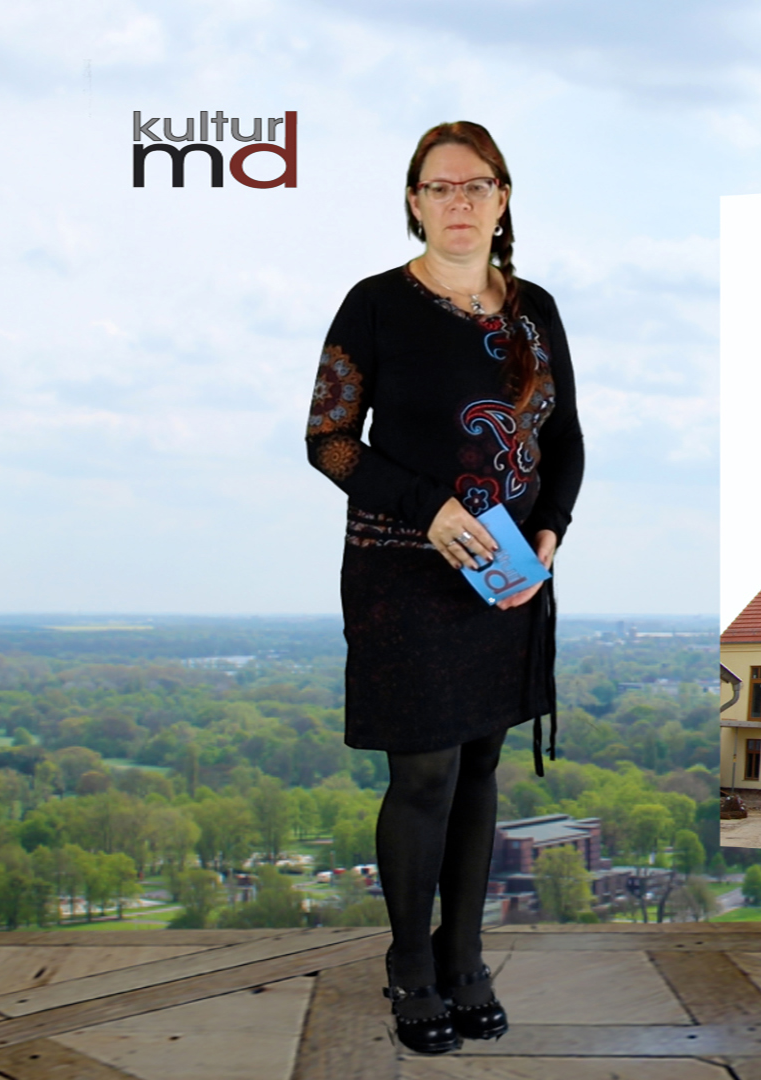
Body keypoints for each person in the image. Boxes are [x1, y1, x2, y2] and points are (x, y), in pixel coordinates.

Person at [306, 121, 583, 1055]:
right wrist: (428, 510)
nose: (458, 202)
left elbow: (566, 440)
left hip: (508, 574)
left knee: (480, 765)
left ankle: (463, 958)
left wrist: (548, 533)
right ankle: (410, 967)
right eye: (439, 187)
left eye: (477, 185)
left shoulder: (538, 309)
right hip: (401, 564)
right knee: (423, 770)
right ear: (415, 202)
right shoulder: (374, 305)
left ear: (503, 199)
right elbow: (330, 440)